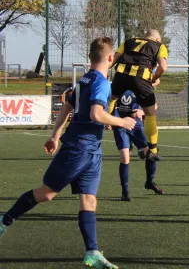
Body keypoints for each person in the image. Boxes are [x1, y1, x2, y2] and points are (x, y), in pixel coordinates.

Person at [0, 37, 135, 269]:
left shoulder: (84, 79)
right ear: (111, 58)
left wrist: (54, 135)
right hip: (78, 148)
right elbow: (96, 114)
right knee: (46, 194)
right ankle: (4, 220)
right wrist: (122, 122)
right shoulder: (101, 82)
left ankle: (92, 251)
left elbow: (67, 106)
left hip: (92, 149)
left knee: (89, 200)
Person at [109, 29, 168, 195]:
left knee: (110, 100)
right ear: (156, 38)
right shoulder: (159, 45)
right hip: (141, 77)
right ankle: (153, 149)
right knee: (151, 115)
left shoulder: (128, 41)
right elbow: (162, 67)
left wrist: (102, 71)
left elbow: (113, 59)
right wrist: (154, 78)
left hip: (120, 76)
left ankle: (101, 125)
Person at [112, 90, 162, 201]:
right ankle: (125, 192)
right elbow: (110, 104)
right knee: (125, 157)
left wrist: (141, 112)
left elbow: (154, 105)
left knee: (150, 153)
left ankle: (149, 182)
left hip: (136, 124)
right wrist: (111, 120)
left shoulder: (140, 87)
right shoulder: (118, 86)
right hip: (120, 124)